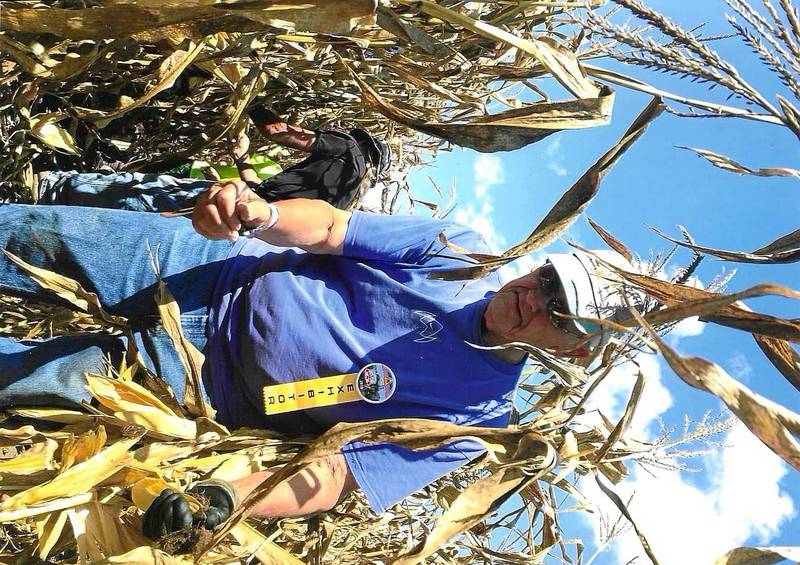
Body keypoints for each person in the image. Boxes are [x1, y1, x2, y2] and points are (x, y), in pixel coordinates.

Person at [0, 178, 629, 542]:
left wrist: (227, 499)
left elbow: (334, 475)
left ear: (573, 348)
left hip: (191, 377)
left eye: (559, 312)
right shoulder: (461, 254)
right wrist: (261, 214)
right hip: (207, 269)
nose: (531, 300)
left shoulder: (475, 417)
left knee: (17, 382)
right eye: (546, 279)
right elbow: (331, 227)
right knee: (24, 234)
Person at [37, 105, 391, 212]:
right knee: (139, 211)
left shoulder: (347, 149)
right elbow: (263, 197)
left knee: (142, 191)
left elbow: (281, 132)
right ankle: (52, 204)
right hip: (235, 222)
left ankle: (46, 187)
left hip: (220, 200)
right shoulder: (341, 201)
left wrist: (251, 99)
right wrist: (243, 157)